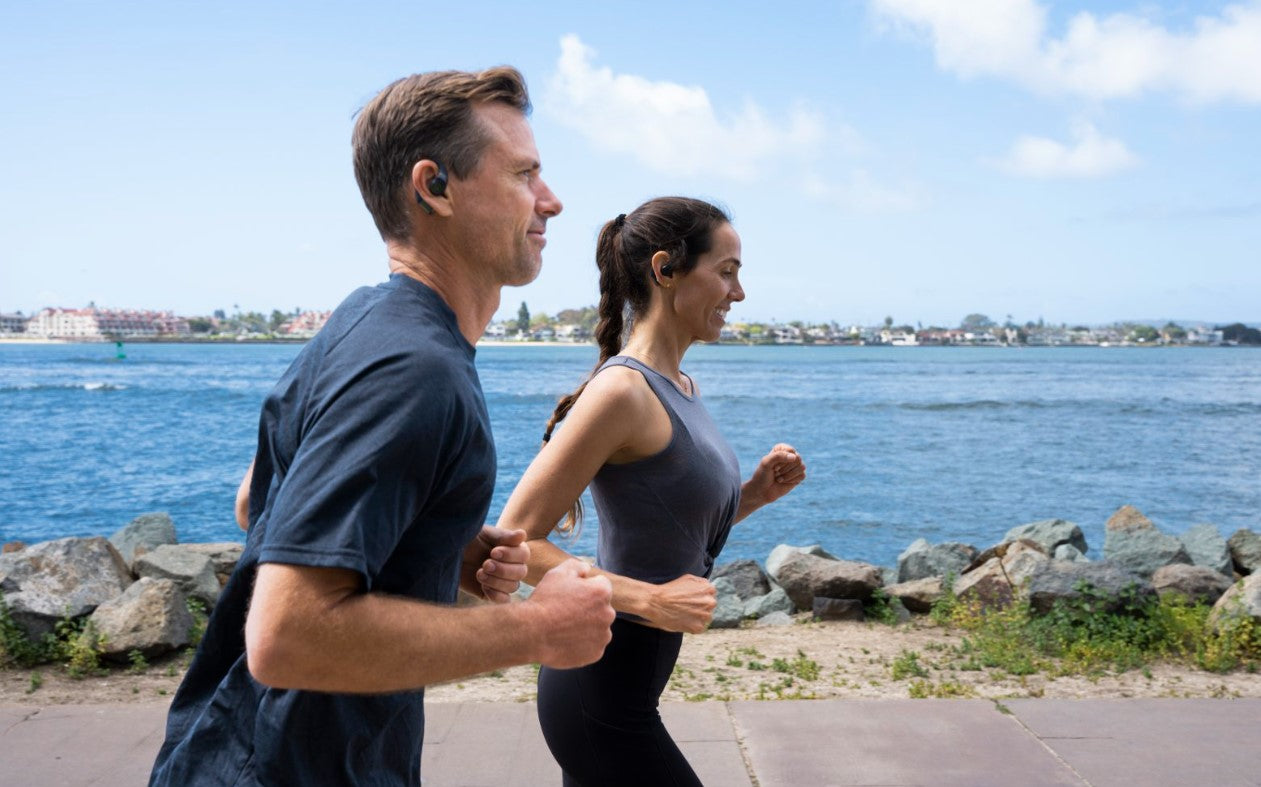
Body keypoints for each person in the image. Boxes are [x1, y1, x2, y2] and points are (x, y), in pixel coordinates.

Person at [149, 67, 616, 787]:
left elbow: (259, 504)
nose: (550, 201)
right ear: (434, 187)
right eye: (524, 175)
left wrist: (434, 542)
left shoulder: (364, 319)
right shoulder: (412, 368)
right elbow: (285, 634)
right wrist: (538, 628)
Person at [495, 197, 807, 786]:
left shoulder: (680, 385)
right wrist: (652, 602)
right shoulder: (623, 393)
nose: (738, 294)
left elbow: (666, 528)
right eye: (727, 271)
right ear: (665, 270)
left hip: (627, 686)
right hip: (597, 691)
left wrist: (756, 494)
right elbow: (519, 541)